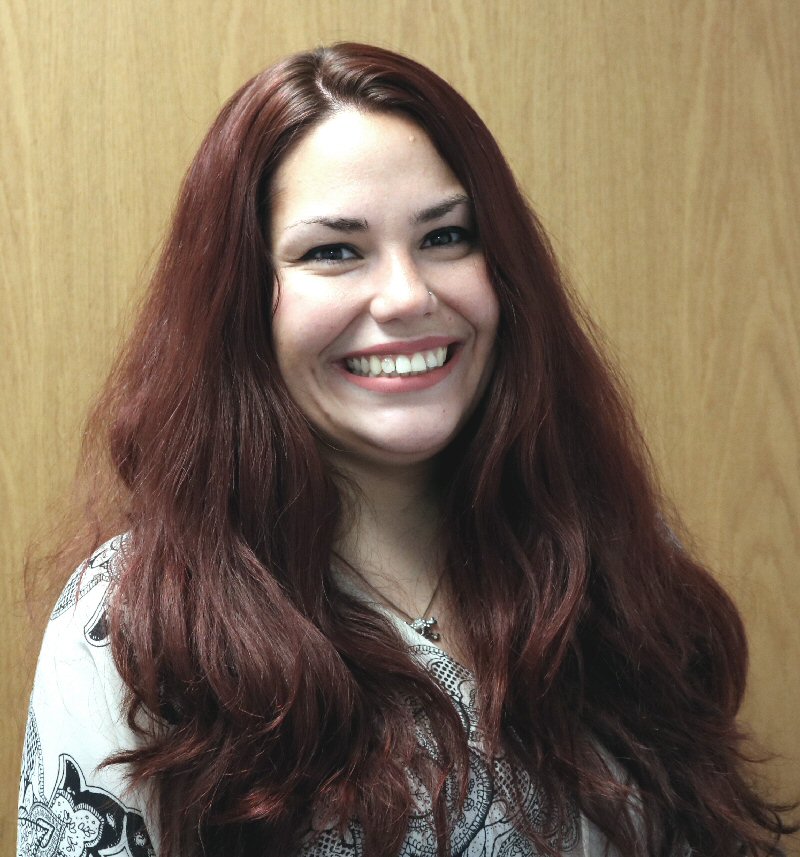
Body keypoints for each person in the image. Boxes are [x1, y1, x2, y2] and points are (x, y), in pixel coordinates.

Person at [17, 43, 794, 857]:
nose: (408, 296)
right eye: (334, 251)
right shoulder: (134, 625)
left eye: (446, 236)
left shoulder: (615, 555)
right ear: (241, 301)